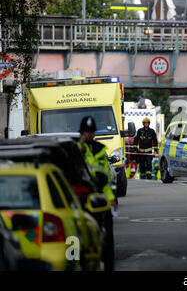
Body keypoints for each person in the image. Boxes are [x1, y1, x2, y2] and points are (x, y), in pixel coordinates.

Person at [77, 116, 116, 271]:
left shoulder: (100, 150)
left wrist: (112, 199)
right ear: (81, 132)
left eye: (91, 132)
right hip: (79, 199)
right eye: (86, 132)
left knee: (105, 232)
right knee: (74, 234)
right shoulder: (75, 149)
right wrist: (79, 144)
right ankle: (73, 260)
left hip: (99, 198)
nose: (89, 135)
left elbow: (108, 178)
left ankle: (106, 260)